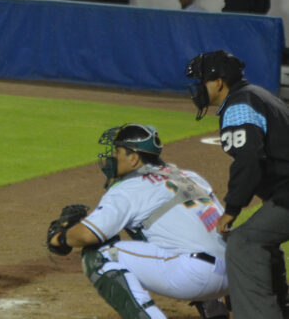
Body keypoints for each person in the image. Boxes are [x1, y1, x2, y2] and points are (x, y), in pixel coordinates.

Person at [47, 124, 230, 319]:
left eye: (117, 152)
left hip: (193, 276)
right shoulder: (189, 176)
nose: (112, 157)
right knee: (174, 236)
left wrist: (59, 238)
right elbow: (224, 226)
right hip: (233, 271)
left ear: (133, 158)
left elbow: (88, 234)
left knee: (99, 255)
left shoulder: (130, 187)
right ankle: (215, 313)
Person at [186, 50, 289, 318]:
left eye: (201, 82)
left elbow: (248, 161)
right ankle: (281, 306)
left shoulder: (238, 105)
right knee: (261, 237)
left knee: (243, 244)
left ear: (218, 82)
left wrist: (232, 209)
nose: (198, 89)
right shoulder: (257, 94)